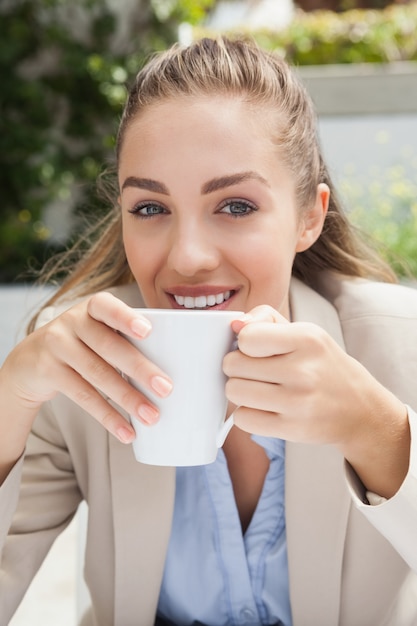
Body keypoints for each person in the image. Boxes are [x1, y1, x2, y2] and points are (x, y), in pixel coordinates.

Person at [1, 35, 417, 626]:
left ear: (309, 217)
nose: (189, 257)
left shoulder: (401, 348)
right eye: (150, 209)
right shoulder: (77, 371)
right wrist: (7, 403)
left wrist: (381, 434)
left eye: (236, 206)